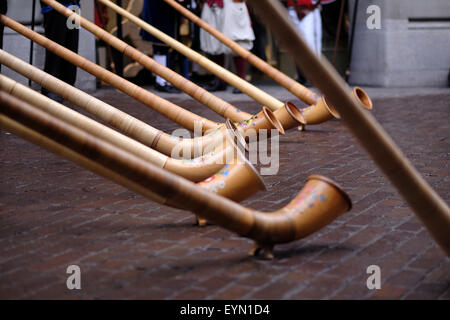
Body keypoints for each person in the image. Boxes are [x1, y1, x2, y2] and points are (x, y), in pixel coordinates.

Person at [200, 0, 255, 93]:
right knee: (214, 42)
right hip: (212, 4)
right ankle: (220, 80)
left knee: (238, 41)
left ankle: (241, 83)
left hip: (232, 3)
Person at [39, 0, 80, 102]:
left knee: (71, 44)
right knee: (56, 45)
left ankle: (69, 84)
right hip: (54, 6)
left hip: (74, 7)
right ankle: (52, 87)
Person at [140, 0, 180, 93]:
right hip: (159, 11)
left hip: (162, 10)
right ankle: (161, 82)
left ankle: (162, 80)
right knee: (160, 46)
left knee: (162, 47)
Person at [284, 0, 322, 85]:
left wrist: (314, 6)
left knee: (310, 43)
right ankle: (301, 75)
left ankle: (312, 76)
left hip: (310, 9)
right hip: (292, 9)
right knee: (295, 44)